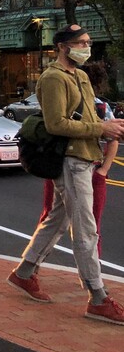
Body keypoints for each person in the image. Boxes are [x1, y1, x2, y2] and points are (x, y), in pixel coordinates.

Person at [7, 24, 124, 324]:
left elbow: (87, 118)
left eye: (87, 42)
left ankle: (24, 272)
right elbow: (57, 124)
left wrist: (110, 128)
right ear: (62, 47)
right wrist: (101, 128)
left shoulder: (81, 76)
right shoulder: (53, 78)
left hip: (85, 156)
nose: (86, 47)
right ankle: (98, 297)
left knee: (58, 219)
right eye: (80, 43)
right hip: (70, 160)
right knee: (85, 229)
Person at [39, 61, 119, 257]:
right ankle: (30, 268)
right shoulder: (63, 102)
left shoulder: (99, 107)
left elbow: (113, 138)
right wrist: (103, 171)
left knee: (85, 224)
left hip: (81, 166)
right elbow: (55, 125)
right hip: (66, 165)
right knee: (61, 220)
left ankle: (94, 276)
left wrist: (102, 172)